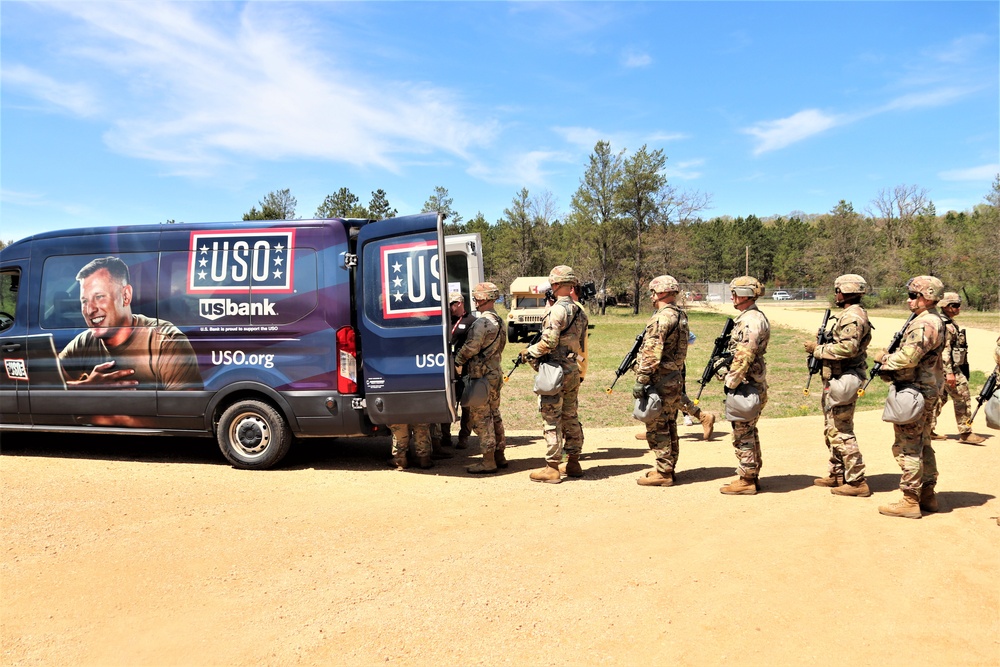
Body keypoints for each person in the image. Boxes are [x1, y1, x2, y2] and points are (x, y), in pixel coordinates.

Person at [59, 256, 201, 391]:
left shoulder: (165, 341)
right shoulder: (84, 342)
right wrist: (85, 388)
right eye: (84, 301)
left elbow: (185, 412)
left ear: (125, 296)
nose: (90, 310)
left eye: (99, 297)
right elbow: (46, 386)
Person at [875, 275, 947, 519]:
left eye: (914, 296)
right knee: (924, 442)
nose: (909, 300)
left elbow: (908, 358)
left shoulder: (923, 323)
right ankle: (928, 494)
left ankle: (910, 499)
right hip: (927, 388)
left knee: (908, 446)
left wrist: (883, 360)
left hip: (914, 390)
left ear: (927, 297)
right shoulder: (936, 320)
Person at [804, 274, 873, 497]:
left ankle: (857, 481)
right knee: (831, 428)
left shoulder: (852, 317)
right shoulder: (849, 314)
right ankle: (837, 473)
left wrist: (817, 349)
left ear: (845, 291)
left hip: (845, 377)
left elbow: (848, 349)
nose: (835, 295)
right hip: (836, 378)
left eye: (837, 290)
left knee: (841, 430)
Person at [520, 265, 588, 483]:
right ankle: (574, 462)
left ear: (556, 285)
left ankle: (552, 467)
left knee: (551, 416)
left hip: (554, 370)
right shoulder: (579, 310)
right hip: (572, 368)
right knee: (571, 415)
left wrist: (529, 352)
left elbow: (549, 342)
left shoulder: (556, 310)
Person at [633, 275, 689, 487]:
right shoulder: (680, 315)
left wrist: (642, 379)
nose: (652, 296)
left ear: (661, 293)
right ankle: (667, 466)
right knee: (669, 422)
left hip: (659, 379)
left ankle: (664, 473)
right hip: (674, 376)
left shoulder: (661, 318)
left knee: (657, 425)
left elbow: (652, 352)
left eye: (653, 292)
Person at [719, 276, 770, 495]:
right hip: (750, 382)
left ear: (745, 295)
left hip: (746, 384)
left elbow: (744, 354)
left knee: (743, 433)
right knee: (748, 430)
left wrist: (730, 382)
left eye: (735, 293)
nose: (732, 297)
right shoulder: (749, 317)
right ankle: (751, 475)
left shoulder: (751, 320)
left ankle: (747, 479)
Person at [454, 282, 507, 474]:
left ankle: (488, 460)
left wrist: (457, 360)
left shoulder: (481, 323)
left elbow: (471, 348)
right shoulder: (499, 321)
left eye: (476, 297)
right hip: (494, 373)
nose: (474, 301)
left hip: (480, 376)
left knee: (481, 417)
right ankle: (500, 455)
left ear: (484, 299)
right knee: (495, 415)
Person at [931, 292, 986, 444]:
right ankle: (965, 432)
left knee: (939, 398)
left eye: (958, 305)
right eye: (954, 305)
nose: (957, 308)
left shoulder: (946, 322)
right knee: (962, 396)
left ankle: (927, 428)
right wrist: (949, 373)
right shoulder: (946, 325)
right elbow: (944, 351)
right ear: (945, 306)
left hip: (942, 368)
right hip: (947, 368)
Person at [442, 291, 477, 449]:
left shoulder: (472, 321)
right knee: (447, 401)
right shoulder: (445, 320)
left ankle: (464, 437)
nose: (449, 308)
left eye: (451, 304)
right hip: (447, 367)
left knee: (466, 405)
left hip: (465, 368)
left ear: (459, 303)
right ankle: (445, 436)